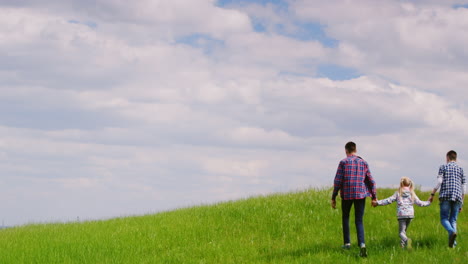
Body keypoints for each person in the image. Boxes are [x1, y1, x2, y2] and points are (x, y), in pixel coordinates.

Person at [331, 141, 377, 258]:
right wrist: (374, 196)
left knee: (345, 217)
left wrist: (334, 196)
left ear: (346, 150)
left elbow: (337, 181)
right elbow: (371, 180)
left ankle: (347, 243)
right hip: (360, 194)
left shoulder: (343, 162)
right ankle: (362, 244)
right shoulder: (363, 162)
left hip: (346, 195)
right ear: (355, 150)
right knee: (359, 220)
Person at [372, 177, 431, 248]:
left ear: (401, 183)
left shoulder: (398, 193)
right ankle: (402, 246)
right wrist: (428, 202)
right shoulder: (412, 193)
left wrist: (377, 203)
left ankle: (407, 240)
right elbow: (420, 203)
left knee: (401, 233)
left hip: (402, 215)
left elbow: (388, 200)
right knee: (404, 231)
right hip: (410, 215)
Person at [429, 150, 466, 248]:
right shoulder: (461, 169)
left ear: (447, 158)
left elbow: (439, 182)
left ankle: (451, 232)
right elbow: (464, 187)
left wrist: (432, 194)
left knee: (444, 219)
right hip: (458, 197)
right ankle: (453, 245)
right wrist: (462, 202)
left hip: (446, 195)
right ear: (456, 158)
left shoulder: (443, 167)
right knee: (453, 220)